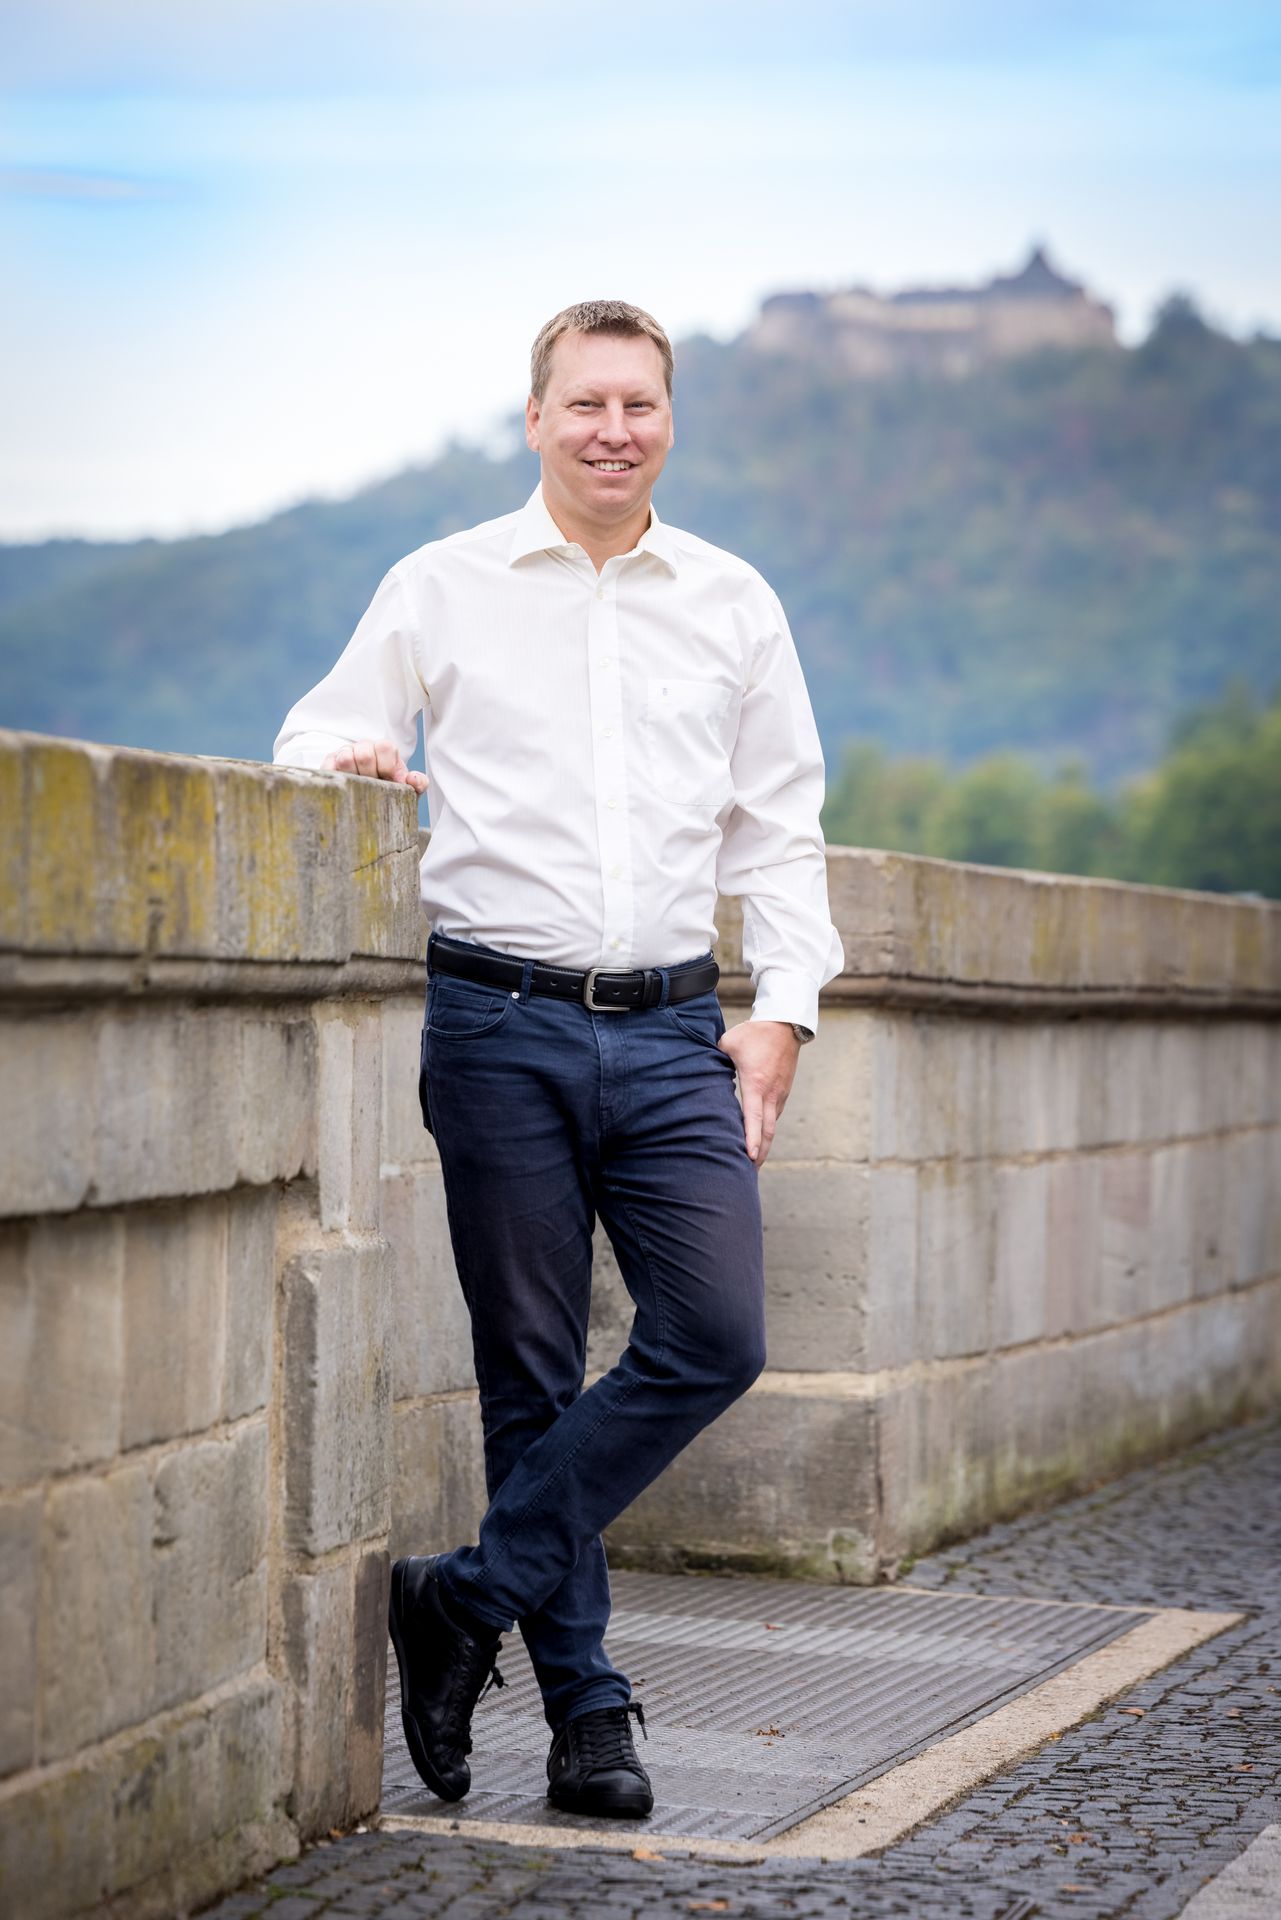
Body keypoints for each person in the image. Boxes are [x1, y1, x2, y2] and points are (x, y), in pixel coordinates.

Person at [274, 299, 843, 1822]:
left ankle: (459, 1598)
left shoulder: (733, 600)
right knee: (527, 1376)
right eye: (585, 403)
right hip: (496, 1024)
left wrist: (782, 1009)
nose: (612, 430)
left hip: (671, 1031)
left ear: (669, 421)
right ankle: (589, 1714)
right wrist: (352, 760)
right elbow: (310, 734)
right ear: (535, 418)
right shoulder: (441, 583)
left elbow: (780, 828)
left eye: (638, 405)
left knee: (714, 1337)